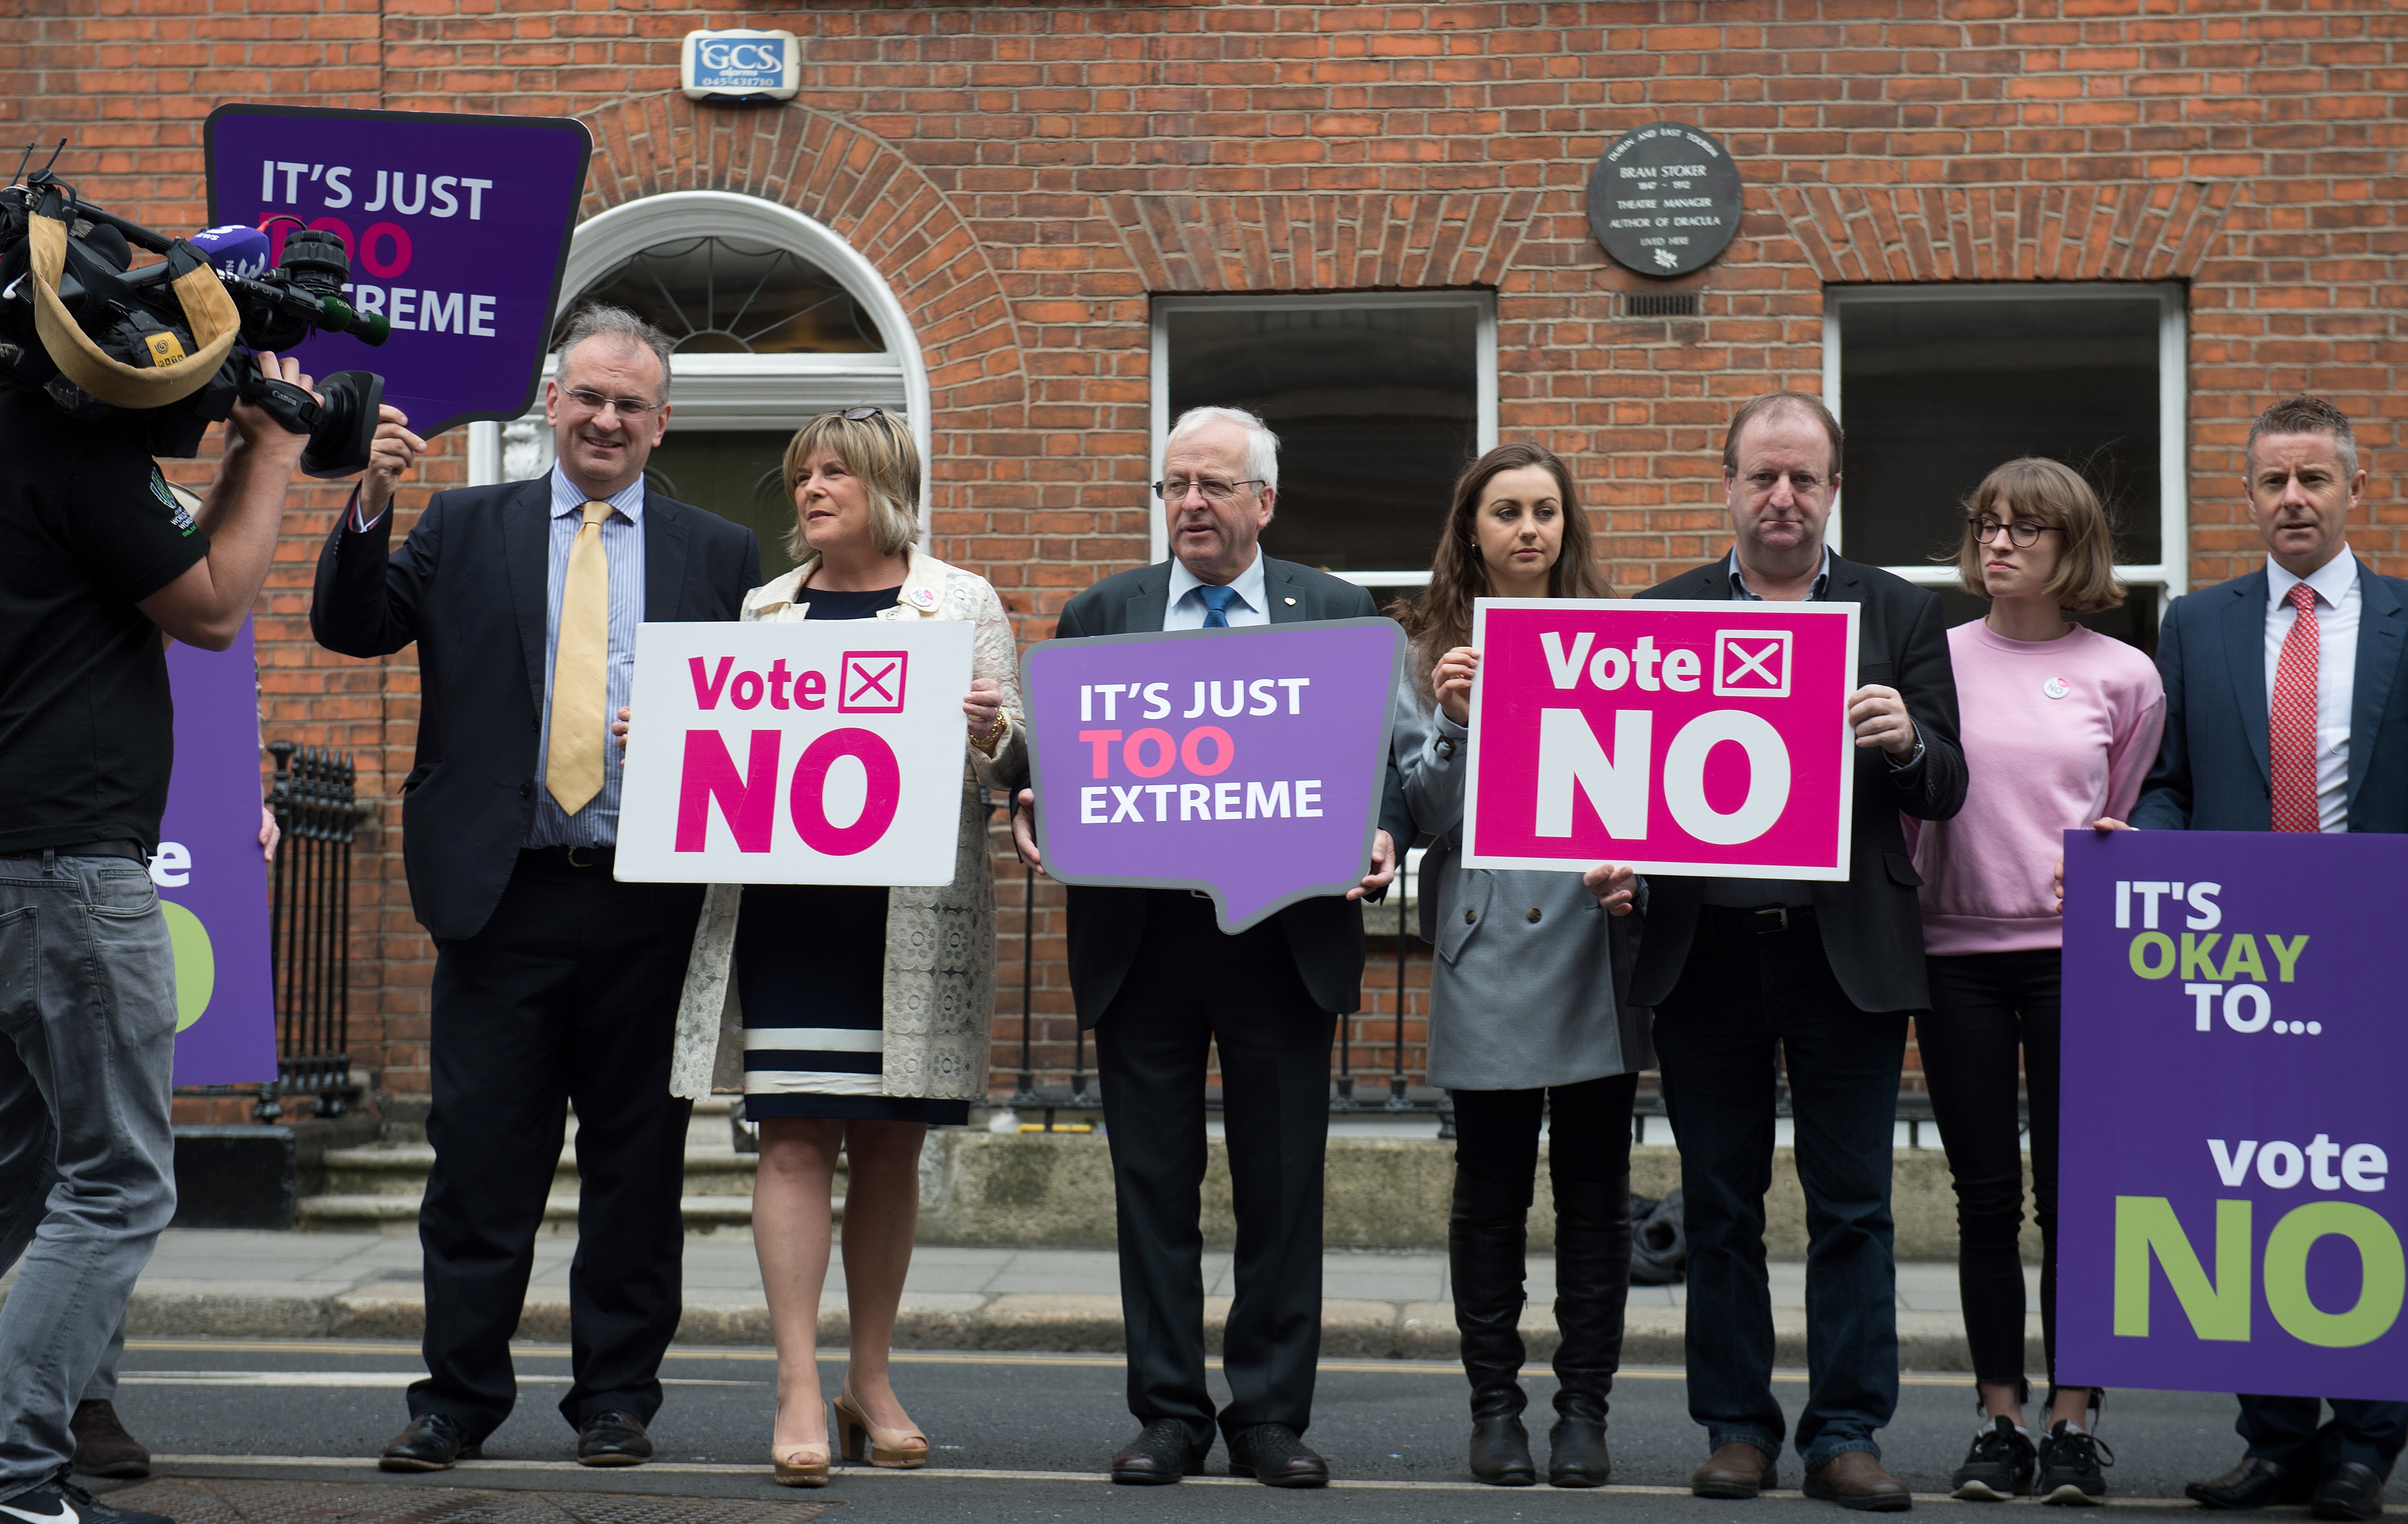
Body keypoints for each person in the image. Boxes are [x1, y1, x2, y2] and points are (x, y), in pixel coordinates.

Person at [311, 306, 760, 1471]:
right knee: (479, 1167)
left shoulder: (721, 554)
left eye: (632, 405)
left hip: (645, 897)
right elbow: (351, 626)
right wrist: (368, 501)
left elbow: (750, 725)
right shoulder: (463, 525)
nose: (607, 419)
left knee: (637, 1168)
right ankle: (454, 1400)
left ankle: (617, 1398)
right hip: (500, 896)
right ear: (551, 402)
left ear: (663, 425)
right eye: (590, 397)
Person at [1009, 405, 1410, 1488]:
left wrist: (1383, 829)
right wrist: (1029, 796)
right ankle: (1170, 1413)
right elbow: (1046, 758)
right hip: (1145, 938)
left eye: (1213, 486)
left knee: (1281, 1190)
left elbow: (1394, 766)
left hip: (1283, 938)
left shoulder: (1336, 612)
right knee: (1154, 1186)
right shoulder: (1102, 613)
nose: (1189, 502)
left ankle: (1271, 1415)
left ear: (1262, 503)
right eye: (1174, 484)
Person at [1583, 390, 1967, 1511]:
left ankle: (1846, 1431)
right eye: (1763, 476)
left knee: (1853, 1205)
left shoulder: (1897, 613)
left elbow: (1948, 784)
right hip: (1704, 954)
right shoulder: (1667, 613)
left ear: (1833, 489)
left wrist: (1904, 741)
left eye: (1804, 477)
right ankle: (1736, 1427)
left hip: (1842, 953)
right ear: (1729, 486)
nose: (1783, 496)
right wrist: (1619, 864)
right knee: (1720, 1202)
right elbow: (1623, 788)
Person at [650, 407, 1025, 1486]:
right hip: (788, 913)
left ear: (885, 484)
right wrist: (667, 734)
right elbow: (729, 752)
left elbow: (1008, 765)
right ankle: (798, 1382)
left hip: (904, 920)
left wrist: (988, 727)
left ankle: (872, 1373)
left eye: (834, 474)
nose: (811, 489)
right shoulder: (764, 606)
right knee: (794, 1138)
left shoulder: (959, 600)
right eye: (801, 474)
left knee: (895, 1145)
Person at [0, 351, 329, 1524]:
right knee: (118, 1182)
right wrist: (277, 444)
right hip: (69, 870)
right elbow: (213, 603)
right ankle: (18, 1475)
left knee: (15, 1185)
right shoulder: (76, 452)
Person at [2121, 395, 2408, 1524]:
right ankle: (2277, 1435)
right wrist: (2144, 852)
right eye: (2273, 481)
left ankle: (2366, 1440)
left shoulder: (2400, 620)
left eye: (2313, 480)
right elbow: (2169, 778)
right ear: (2247, 493)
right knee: (2248, 1187)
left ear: (2351, 489)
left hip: (2371, 958)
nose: (2293, 499)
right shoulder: (2195, 623)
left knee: (2366, 1194)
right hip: (2239, 965)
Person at [1393, 442, 1653, 1488]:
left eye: (1546, 510)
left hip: (1593, 945)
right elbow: (1417, 818)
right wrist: (1454, 725)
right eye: (1506, 511)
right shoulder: (1424, 654)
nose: (1529, 528)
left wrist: (1639, 866)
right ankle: (1493, 1406)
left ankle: (1583, 1409)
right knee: (1489, 1194)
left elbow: (1657, 795)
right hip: (1487, 944)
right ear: (1472, 531)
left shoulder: (1620, 638)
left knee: (1596, 1196)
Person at [1903, 458, 2163, 1505]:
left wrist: (2119, 841)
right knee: (1982, 1200)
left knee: (2076, 1204)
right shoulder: (1934, 655)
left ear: (2073, 547)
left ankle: (2071, 1422)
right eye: (1987, 525)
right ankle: (1999, 1417)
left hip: (2075, 960)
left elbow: (2132, 803)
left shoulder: (2124, 675)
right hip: (1951, 956)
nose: (1999, 542)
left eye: (2027, 528)